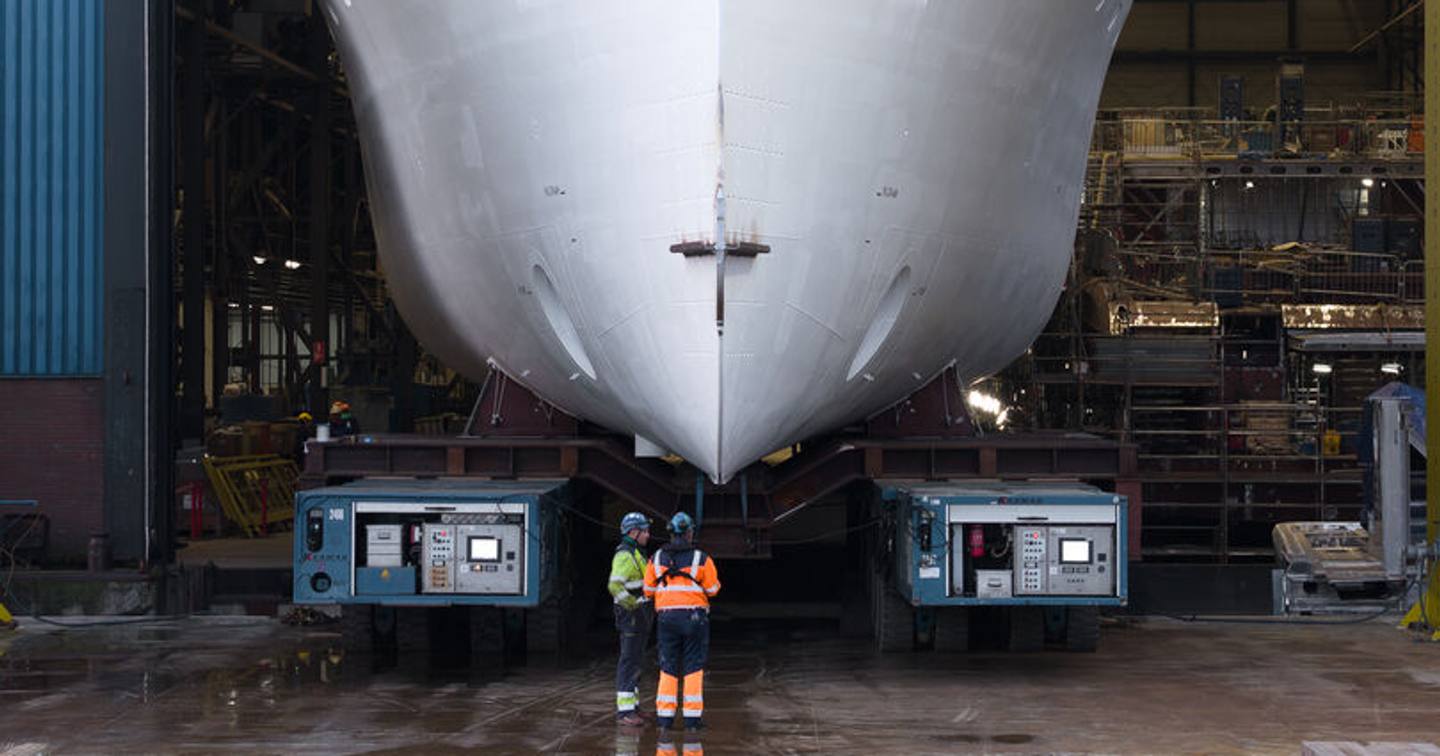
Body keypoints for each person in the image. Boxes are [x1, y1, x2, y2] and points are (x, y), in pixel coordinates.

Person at [643, 512, 720, 732]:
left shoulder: (656, 558)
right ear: (689, 533)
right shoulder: (701, 559)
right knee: (693, 666)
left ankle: (665, 720)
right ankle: (692, 721)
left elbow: (648, 591)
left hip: (666, 618)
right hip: (694, 618)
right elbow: (713, 590)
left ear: (670, 532)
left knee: (667, 666)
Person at [609, 511, 655, 728]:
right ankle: (625, 712)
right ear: (633, 532)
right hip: (631, 616)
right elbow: (614, 585)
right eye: (645, 531)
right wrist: (632, 605)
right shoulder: (625, 555)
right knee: (628, 661)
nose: (648, 534)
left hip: (639, 615)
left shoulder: (636, 552)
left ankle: (633, 707)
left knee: (636, 660)